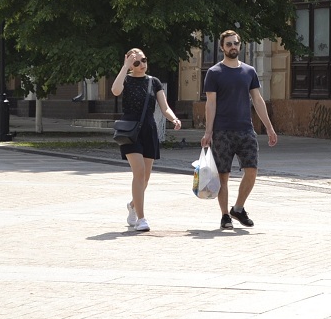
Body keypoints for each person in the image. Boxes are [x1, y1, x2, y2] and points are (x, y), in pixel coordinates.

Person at [201, 30, 278, 230]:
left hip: (246, 130)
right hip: (222, 132)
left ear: (240, 45)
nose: (233, 47)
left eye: (235, 43)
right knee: (223, 175)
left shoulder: (249, 71)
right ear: (222, 47)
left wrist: (269, 128)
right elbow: (210, 104)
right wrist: (208, 132)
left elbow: (258, 100)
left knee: (252, 171)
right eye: (228, 44)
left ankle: (238, 208)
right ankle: (225, 215)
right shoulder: (214, 73)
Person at [111, 48, 182, 232]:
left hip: (149, 129)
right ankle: (141, 219)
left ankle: (133, 205)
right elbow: (115, 90)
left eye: (143, 60)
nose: (141, 65)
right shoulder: (125, 79)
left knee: (146, 177)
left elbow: (164, 107)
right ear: (129, 65)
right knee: (139, 172)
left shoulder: (153, 82)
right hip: (130, 130)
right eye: (136, 63)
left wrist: (173, 118)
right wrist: (125, 67)